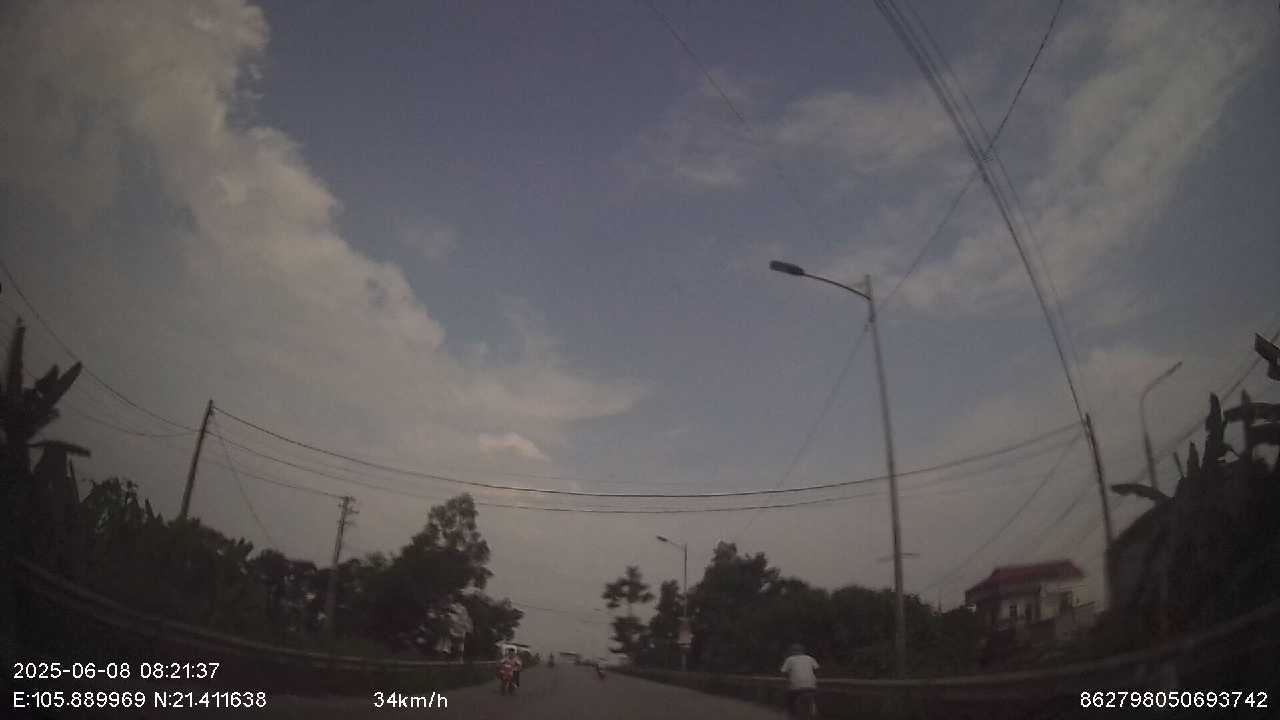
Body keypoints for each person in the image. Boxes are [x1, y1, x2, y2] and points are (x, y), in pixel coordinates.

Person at [780, 643, 819, 717]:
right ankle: (814, 709)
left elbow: (783, 672)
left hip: (795, 686)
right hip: (811, 685)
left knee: (789, 698)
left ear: (792, 651)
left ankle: (791, 714)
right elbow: (816, 669)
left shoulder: (790, 659)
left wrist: (787, 681)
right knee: (813, 695)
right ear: (803, 651)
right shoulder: (810, 658)